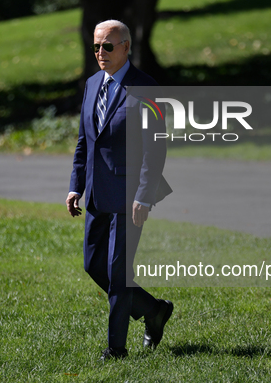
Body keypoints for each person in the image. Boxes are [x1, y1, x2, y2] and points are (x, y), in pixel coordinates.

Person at [66, 20, 173, 360]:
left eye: (108, 46)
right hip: (98, 193)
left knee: (117, 271)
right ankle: (153, 310)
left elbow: (155, 147)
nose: (100, 53)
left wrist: (143, 195)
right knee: (93, 264)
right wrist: (75, 186)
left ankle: (116, 349)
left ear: (126, 47)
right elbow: (86, 142)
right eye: (96, 46)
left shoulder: (147, 87)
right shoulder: (92, 83)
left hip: (130, 195)